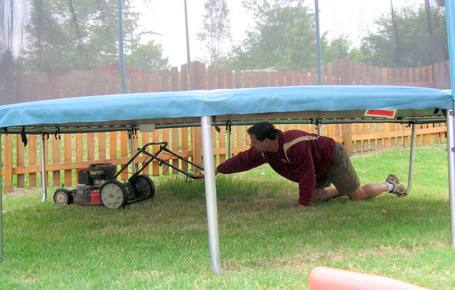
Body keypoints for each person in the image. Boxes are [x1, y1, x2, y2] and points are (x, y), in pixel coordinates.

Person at [196, 122, 407, 206]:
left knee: (357, 196)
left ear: (266, 140)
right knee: (314, 197)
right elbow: (243, 160)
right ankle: (342, 189)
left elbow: (307, 175)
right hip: (316, 167)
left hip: (331, 158)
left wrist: (301, 205)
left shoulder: (293, 144)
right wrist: (216, 170)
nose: (251, 144)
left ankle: (390, 185)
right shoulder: (265, 151)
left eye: (253, 140)